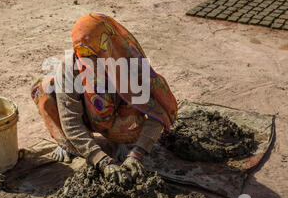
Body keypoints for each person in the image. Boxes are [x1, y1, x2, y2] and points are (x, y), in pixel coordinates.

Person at [31, 13, 178, 185]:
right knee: (44, 90)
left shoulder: (128, 64)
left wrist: (136, 155)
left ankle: (118, 141)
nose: (87, 61)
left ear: (107, 48)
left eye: (93, 54)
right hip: (86, 112)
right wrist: (102, 161)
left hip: (116, 115)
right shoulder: (70, 66)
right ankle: (65, 143)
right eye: (81, 54)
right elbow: (70, 121)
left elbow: (158, 113)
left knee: (135, 100)